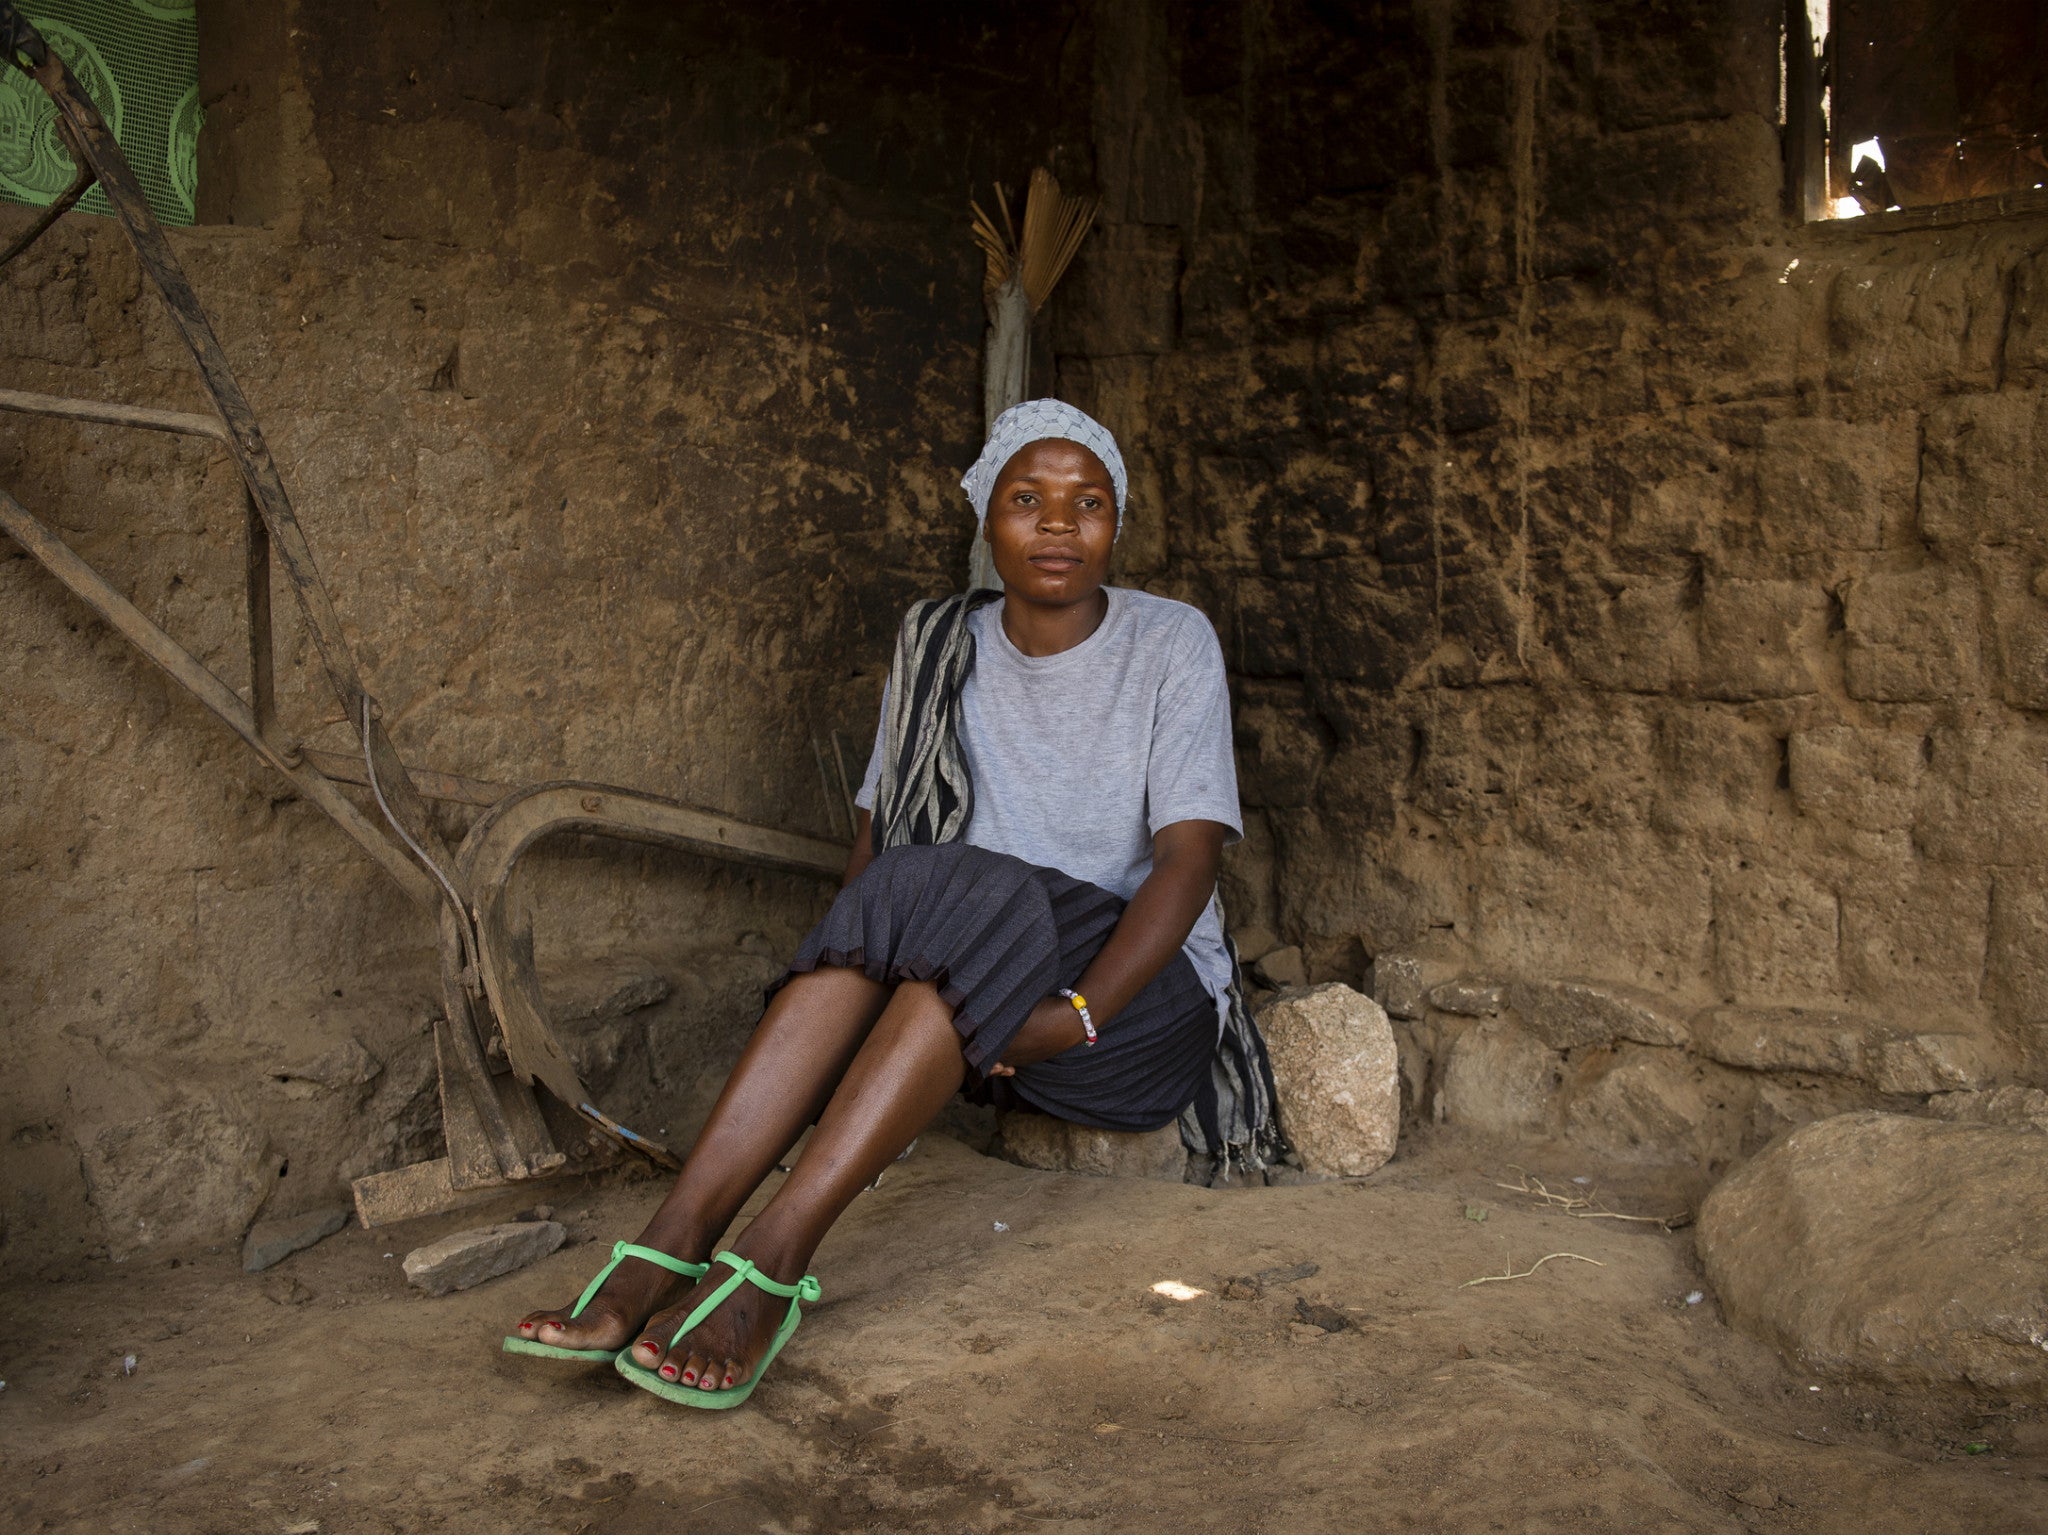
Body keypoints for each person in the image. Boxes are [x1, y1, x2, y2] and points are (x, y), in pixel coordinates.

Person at [506, 400, 1262, 1408]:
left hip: (1122, 1011)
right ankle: (671, 1245)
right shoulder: (934, 637)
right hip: (969, 1009)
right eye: (1026, 499)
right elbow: (875, 845)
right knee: (925, 880)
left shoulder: (1169, 643)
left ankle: (771, 1261)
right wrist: (853, 1022)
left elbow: (1186, 863)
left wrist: (1076, 1017)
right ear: (985, 517)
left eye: (1085, 504)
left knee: (959, 884)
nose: (1055, 525)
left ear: (1115, 522)